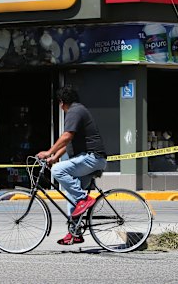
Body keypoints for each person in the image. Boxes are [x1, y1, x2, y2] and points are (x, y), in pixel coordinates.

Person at [37, 85, 107, 245]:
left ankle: (84, 199)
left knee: (57, 171)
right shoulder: (78, 110)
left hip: (92, 157)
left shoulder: (74, 111)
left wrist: (48, 152)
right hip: (91, 159)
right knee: (71, 194)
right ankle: (74, 232)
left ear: (62, 102)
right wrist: (54, 156)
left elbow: (67, 136)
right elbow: (67, 143)